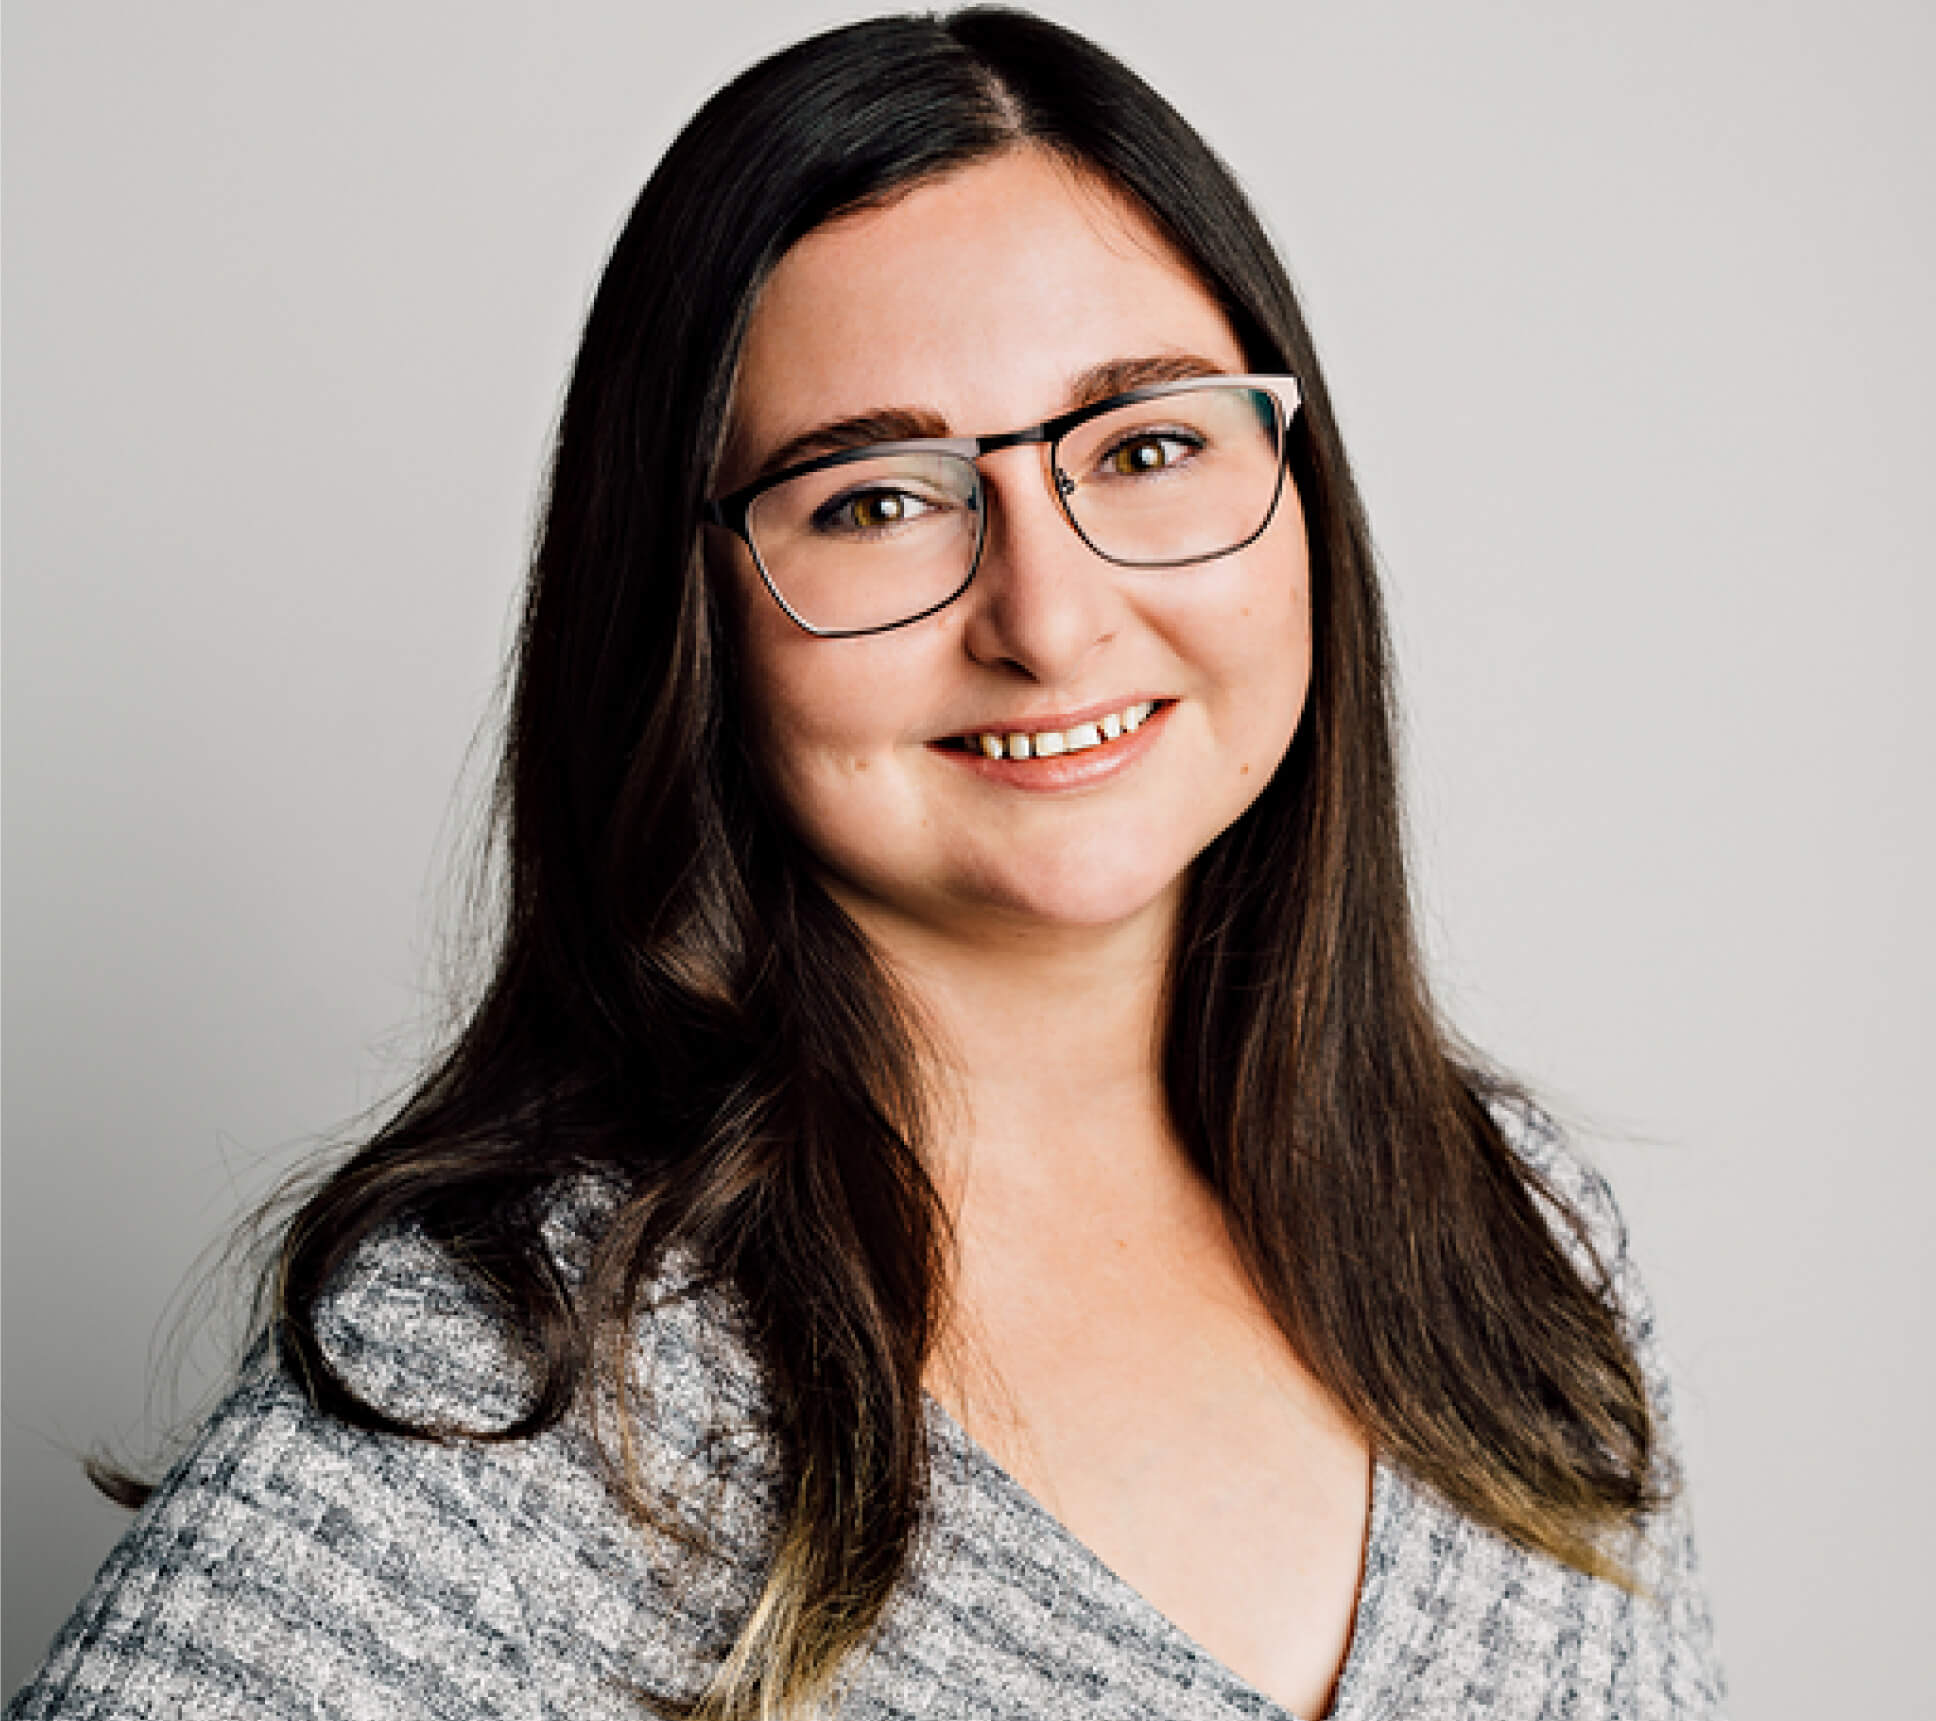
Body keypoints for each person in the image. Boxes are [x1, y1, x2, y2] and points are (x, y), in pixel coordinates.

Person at [7, 9, 1726, 1719]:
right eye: (878, 500)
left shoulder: (1517, 1231)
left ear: (1298, 488)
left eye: (1145, 447)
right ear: (693, 616)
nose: (1048, 619)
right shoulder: (521, 1359)